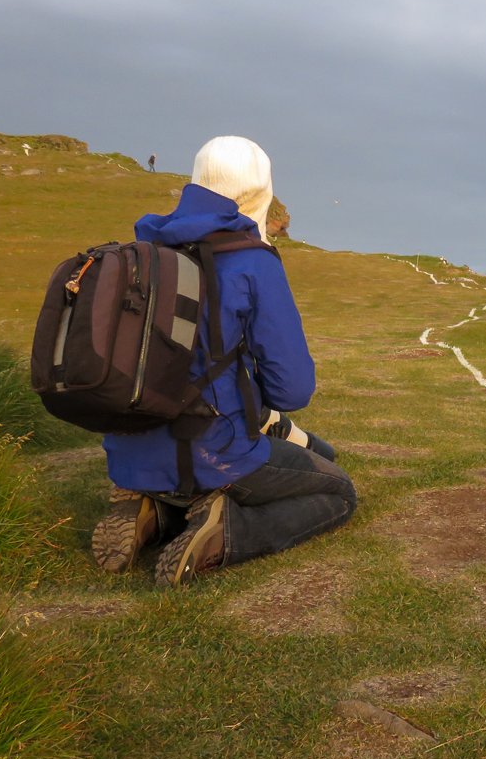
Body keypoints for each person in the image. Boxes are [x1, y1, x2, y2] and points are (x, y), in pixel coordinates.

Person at [92, 136, 356, 587]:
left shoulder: (142, 252)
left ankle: (153, 509)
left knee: (317, 451)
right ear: (258, 191)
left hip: (129, 445)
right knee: (339, 490)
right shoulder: (252, 262)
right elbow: (292, 390)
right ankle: (227, 529)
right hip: (212, 453)